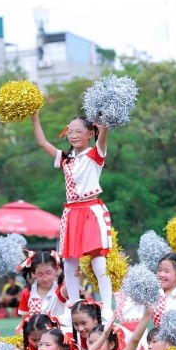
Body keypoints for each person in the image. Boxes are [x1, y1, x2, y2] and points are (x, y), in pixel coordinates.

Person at [32, 112, 114, 322]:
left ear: (89, 134)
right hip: (71, 212)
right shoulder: (66, 159)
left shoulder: (95, 154)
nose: (73, 135)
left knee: (98, 261)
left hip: (91, 210)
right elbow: (41, 142)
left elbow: (103, 133)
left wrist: (104, 116)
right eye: (70, 131)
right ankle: (74, 306)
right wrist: (34, 116)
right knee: (69, 262)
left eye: (78, 131)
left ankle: (107, 306)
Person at [17, 251, 68, 327]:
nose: (45, 278)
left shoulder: (60, 289)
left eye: (48, 272)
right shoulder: (27, 292)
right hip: (35, 334)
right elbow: (25, 321)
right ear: (33, 273)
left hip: (59, 334)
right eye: (40, 274)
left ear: (56, 269)